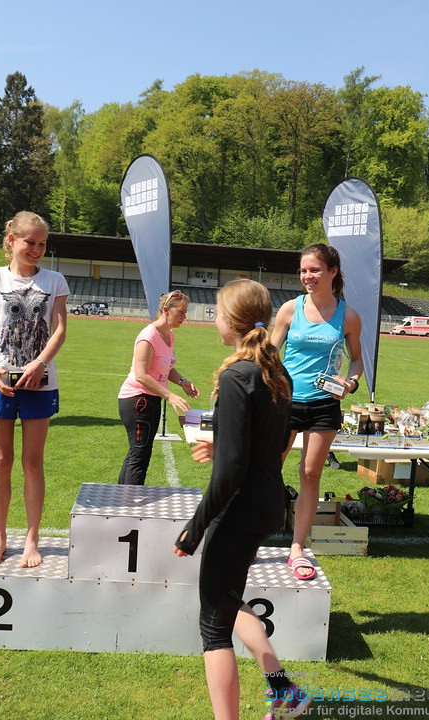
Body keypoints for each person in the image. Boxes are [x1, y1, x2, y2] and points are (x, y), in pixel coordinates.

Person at [174, 279, 311, 720]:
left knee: (213, 627)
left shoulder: (238, 374)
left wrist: (194, 530)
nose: (212, 319)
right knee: (229, 599)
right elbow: (267, 442)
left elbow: (231, 473)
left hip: (241, 509)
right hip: (267, 504)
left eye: (215, 312)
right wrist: (223, 446)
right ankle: (283, 688)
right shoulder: (276, 371)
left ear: (229, 322)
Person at [0, 211, 68, 568]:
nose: (37, 249)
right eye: (30, 242)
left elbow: (59, 331)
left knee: (32, 462)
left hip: (39, 382)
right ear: (11, 240)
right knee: (0, 461)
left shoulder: (55, 281)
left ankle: (31, 538)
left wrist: (40, 363)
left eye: (42, 243)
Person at [270, 243, 363, 581]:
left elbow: (356, 360)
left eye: (314, 270)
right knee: (268, 470)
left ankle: (297, 548)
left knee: (310, 474)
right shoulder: (289, 310)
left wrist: (350, 382)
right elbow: (268, 351)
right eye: (303, 270)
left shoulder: (348, 316)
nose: (307, 276)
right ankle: (252, 538)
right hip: (286, 402)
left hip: (325, 405)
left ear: (332, 272)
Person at [117, 290, 199, 484]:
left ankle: (121, 498)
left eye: (185, 313)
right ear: (166, 310)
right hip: (138, 400)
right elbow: (141, 374)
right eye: (181, 312)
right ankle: (130, 506)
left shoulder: (169, 335)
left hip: (151, 399)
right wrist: (170, 396)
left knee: (138, 452)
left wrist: (182, 381)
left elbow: (167, 367)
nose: (184, 317)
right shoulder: (148, 336)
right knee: (139, 456)